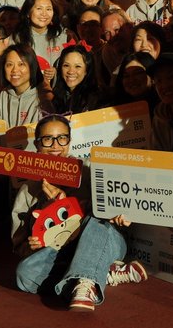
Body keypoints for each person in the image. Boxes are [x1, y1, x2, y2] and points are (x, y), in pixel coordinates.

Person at [12, 114, 146, 311]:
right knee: (25, 274)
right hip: (60, 254)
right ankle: (100, 274)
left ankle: (85, 285)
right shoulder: (28, 190)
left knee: (95, 222)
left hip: (102, 240)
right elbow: (19, 246)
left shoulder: (89, 170)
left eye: (62, 138)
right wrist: (34, 246)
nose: (55, 146)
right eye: (48, 139)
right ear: (37, 144)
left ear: (69, 140)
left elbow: (115, 208)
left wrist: (119, 213)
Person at [15, 0, 69, 91]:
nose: (44, 13)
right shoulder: (17, 38)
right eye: (39, 8)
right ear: (28, 13)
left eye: (48, 9)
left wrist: (56, 71)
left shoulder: (63, 36)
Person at [0, 43, 48, 127]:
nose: (15, 70)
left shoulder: (43, 98)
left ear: (32, 67)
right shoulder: (3, 95)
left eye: (21, 64)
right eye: (9, 65)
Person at [51, 44, 104, 115]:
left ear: (87, 70)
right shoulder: (59, 95)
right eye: (66, 65)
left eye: (77, 66)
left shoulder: (94, 101)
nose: (71, 71)